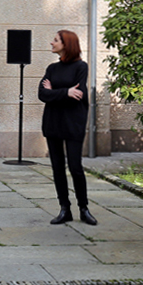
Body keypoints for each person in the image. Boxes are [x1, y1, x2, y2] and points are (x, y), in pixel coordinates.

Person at [38, 29, 96, 225]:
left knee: (75, 167)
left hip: (73, 124)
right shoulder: (51, 69)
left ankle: (84, 208)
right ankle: (65, 209)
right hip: (53, 123)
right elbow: (41, 94)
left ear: (66, 44)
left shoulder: (81, 67)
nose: (51, 43)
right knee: (57, 168)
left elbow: (77, 95)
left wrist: (55, 92)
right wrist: (65, 93)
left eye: (55, 40)